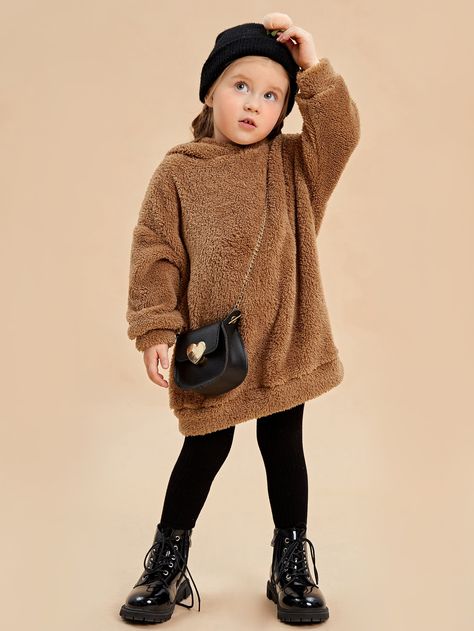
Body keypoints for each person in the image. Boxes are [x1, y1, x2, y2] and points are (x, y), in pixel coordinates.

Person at [119, 13, 360, 626]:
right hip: (211, 350)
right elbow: (157, 252)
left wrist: (312, 67)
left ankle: (290, 564)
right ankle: (167, 563)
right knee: (203, 450)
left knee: (284, 447)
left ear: (284, 111)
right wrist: (156, 328)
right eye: (241, 86)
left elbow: (341, 132)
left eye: (273, 95)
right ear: (210, 92)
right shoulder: (179, 171)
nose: (255, 103)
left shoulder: (296, 165)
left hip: (285, 338)